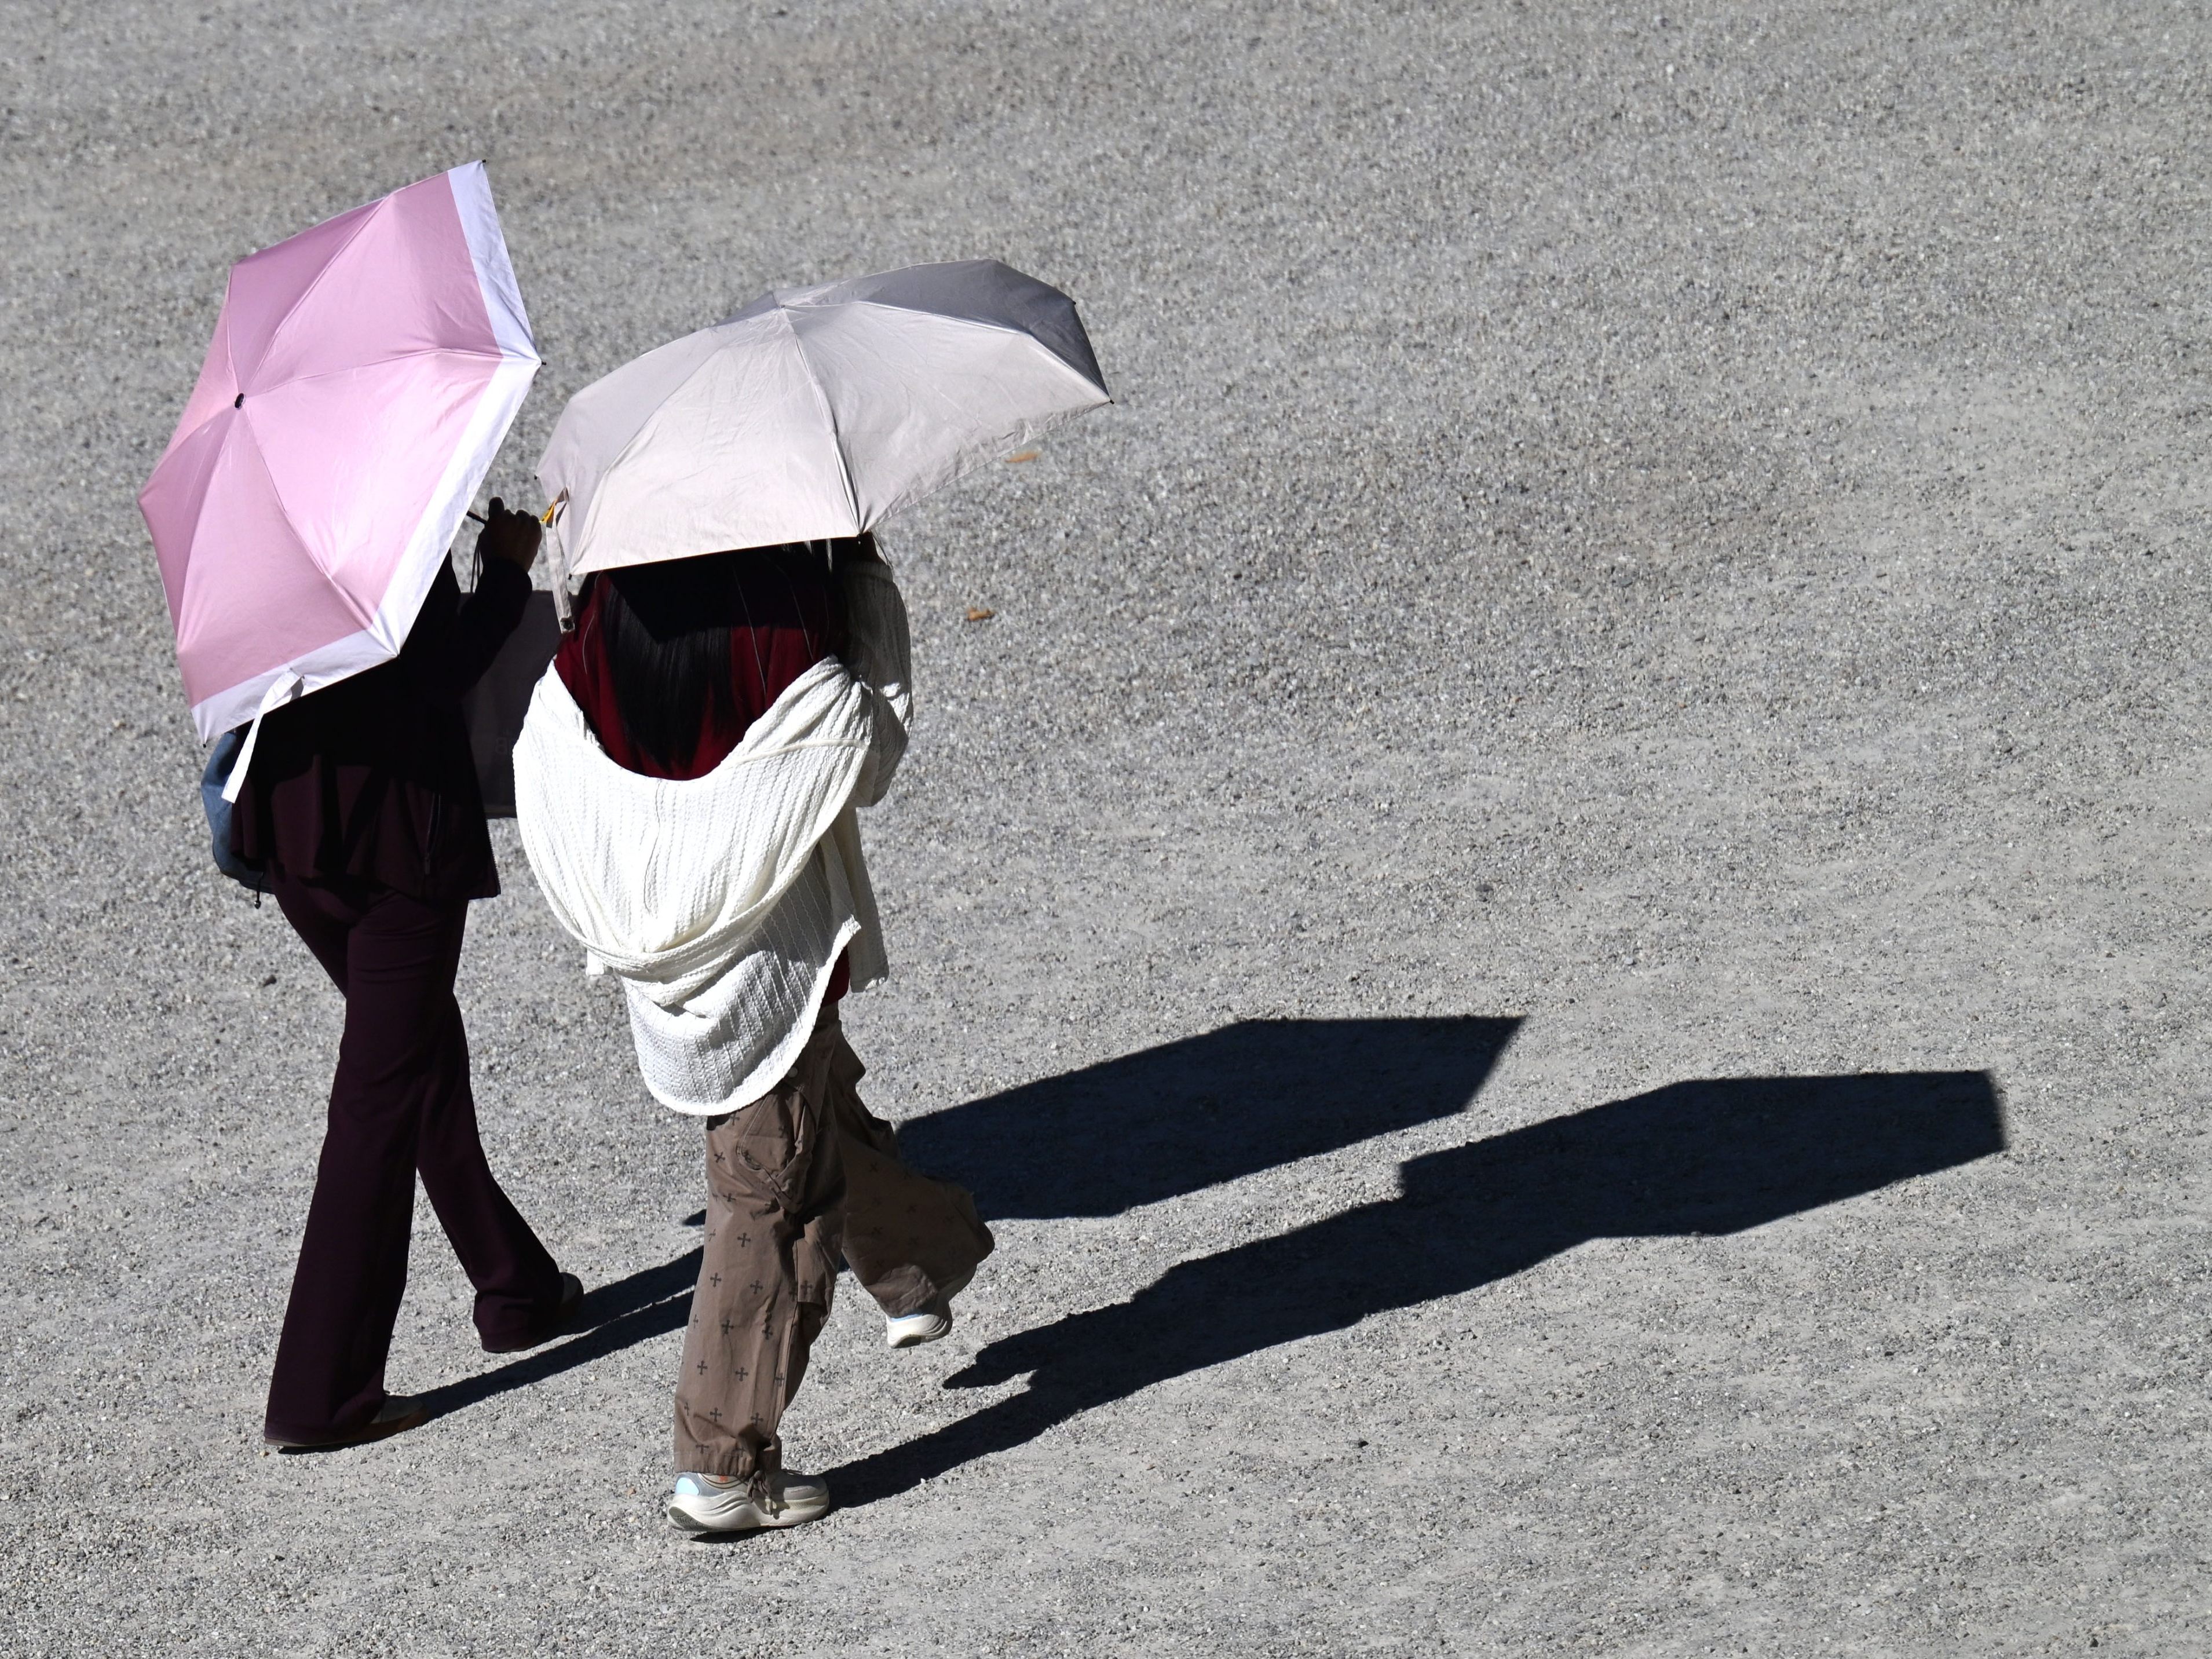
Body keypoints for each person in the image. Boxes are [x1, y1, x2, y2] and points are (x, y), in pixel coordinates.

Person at [514, 534, 993, 1535]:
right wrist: (862, 576)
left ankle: (917, 1266)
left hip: (666, 942)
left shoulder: (606, 619)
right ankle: (720, 1466)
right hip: (767, 946)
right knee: (772, 1193)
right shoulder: (779, 608)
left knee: (810, 1109)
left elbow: (549, 742)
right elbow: (866, 744)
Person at [232, 500, 581, 1450]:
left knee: (420, 1058)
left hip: (297, 835)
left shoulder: (270, 521)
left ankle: (515, 1289)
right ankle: (319, 1395)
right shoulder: (385, 518)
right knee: (378, 1103)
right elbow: (434, 677)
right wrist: (504, 572)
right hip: (397, 849)